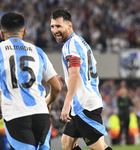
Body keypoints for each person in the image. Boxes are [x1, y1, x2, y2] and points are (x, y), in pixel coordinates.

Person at [0, 12, 61, 150]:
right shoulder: (38, 51)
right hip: (41, 114)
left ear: (1, 34)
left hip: (16, 115)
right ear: (24, 32)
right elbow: (57, 86)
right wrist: (48, 102)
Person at [50, 8, 112, 150]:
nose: (55, 30)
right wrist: (68, 79)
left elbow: (75, 75)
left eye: (59, 26)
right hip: (84, 102)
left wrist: (66, 104)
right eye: (52, 26)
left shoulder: (70, 45)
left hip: (84, 105)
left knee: (98, 147)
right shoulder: (80, 41)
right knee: (67, 143)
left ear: (69, 25)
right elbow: (88, 70)